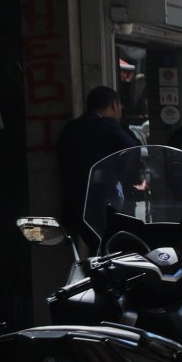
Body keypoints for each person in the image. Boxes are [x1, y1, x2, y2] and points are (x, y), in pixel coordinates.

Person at [55, 86, 137, 247]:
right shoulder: (106, 124)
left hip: (74, 205)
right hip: (100, 202)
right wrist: (119, 175)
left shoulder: (70, 127)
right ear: (114, 105)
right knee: (108, 248)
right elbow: (130, 148)